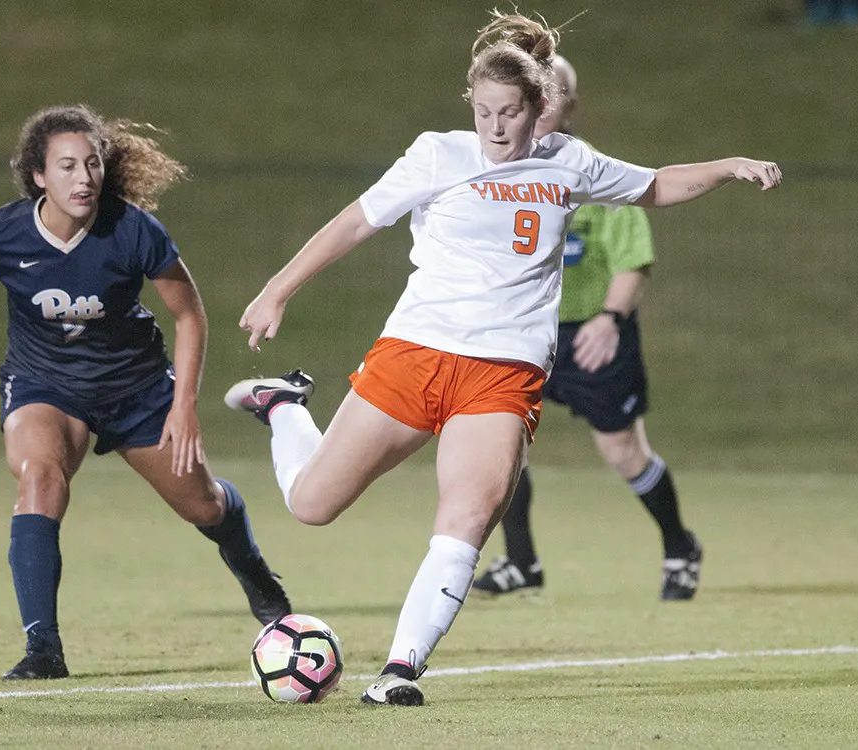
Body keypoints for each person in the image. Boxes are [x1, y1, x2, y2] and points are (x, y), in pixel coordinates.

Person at [226, 10, 781, 707]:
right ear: (471, 104)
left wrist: (729, 165)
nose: (495, 127)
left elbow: (657, 185)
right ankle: (283, 407)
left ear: (538, 108)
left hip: (502, 374)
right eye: (484, 111)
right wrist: (278, 290)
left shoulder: (567, 162)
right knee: (311, 504)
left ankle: (400, 669)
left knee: (467, 516)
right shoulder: (436, 154)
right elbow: (355, 223)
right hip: (415, 353)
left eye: (510, 112)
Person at [0, 105, 291, 680]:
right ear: (38, 175)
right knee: (39, 476)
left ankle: (259, 579)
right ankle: (44, 650)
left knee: (202, 504)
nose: (84, 177)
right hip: (44, 385)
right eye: (67, 166)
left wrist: (183, 406)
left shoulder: (131, 229)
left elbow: (189, 315)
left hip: (136, 389)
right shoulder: (3, 233)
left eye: (92, 164)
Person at [471, 56, 701, 602]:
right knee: (500, 448)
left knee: (622, 451)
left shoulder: (592, 170)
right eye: (537, 91)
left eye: (558, 92)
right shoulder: (495, 168)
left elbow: (633, 259)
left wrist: (610, 319)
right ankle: (521, 562)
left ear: (570, 104)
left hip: (590, 335)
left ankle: (679, 547)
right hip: (523, 331)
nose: (545, 100)